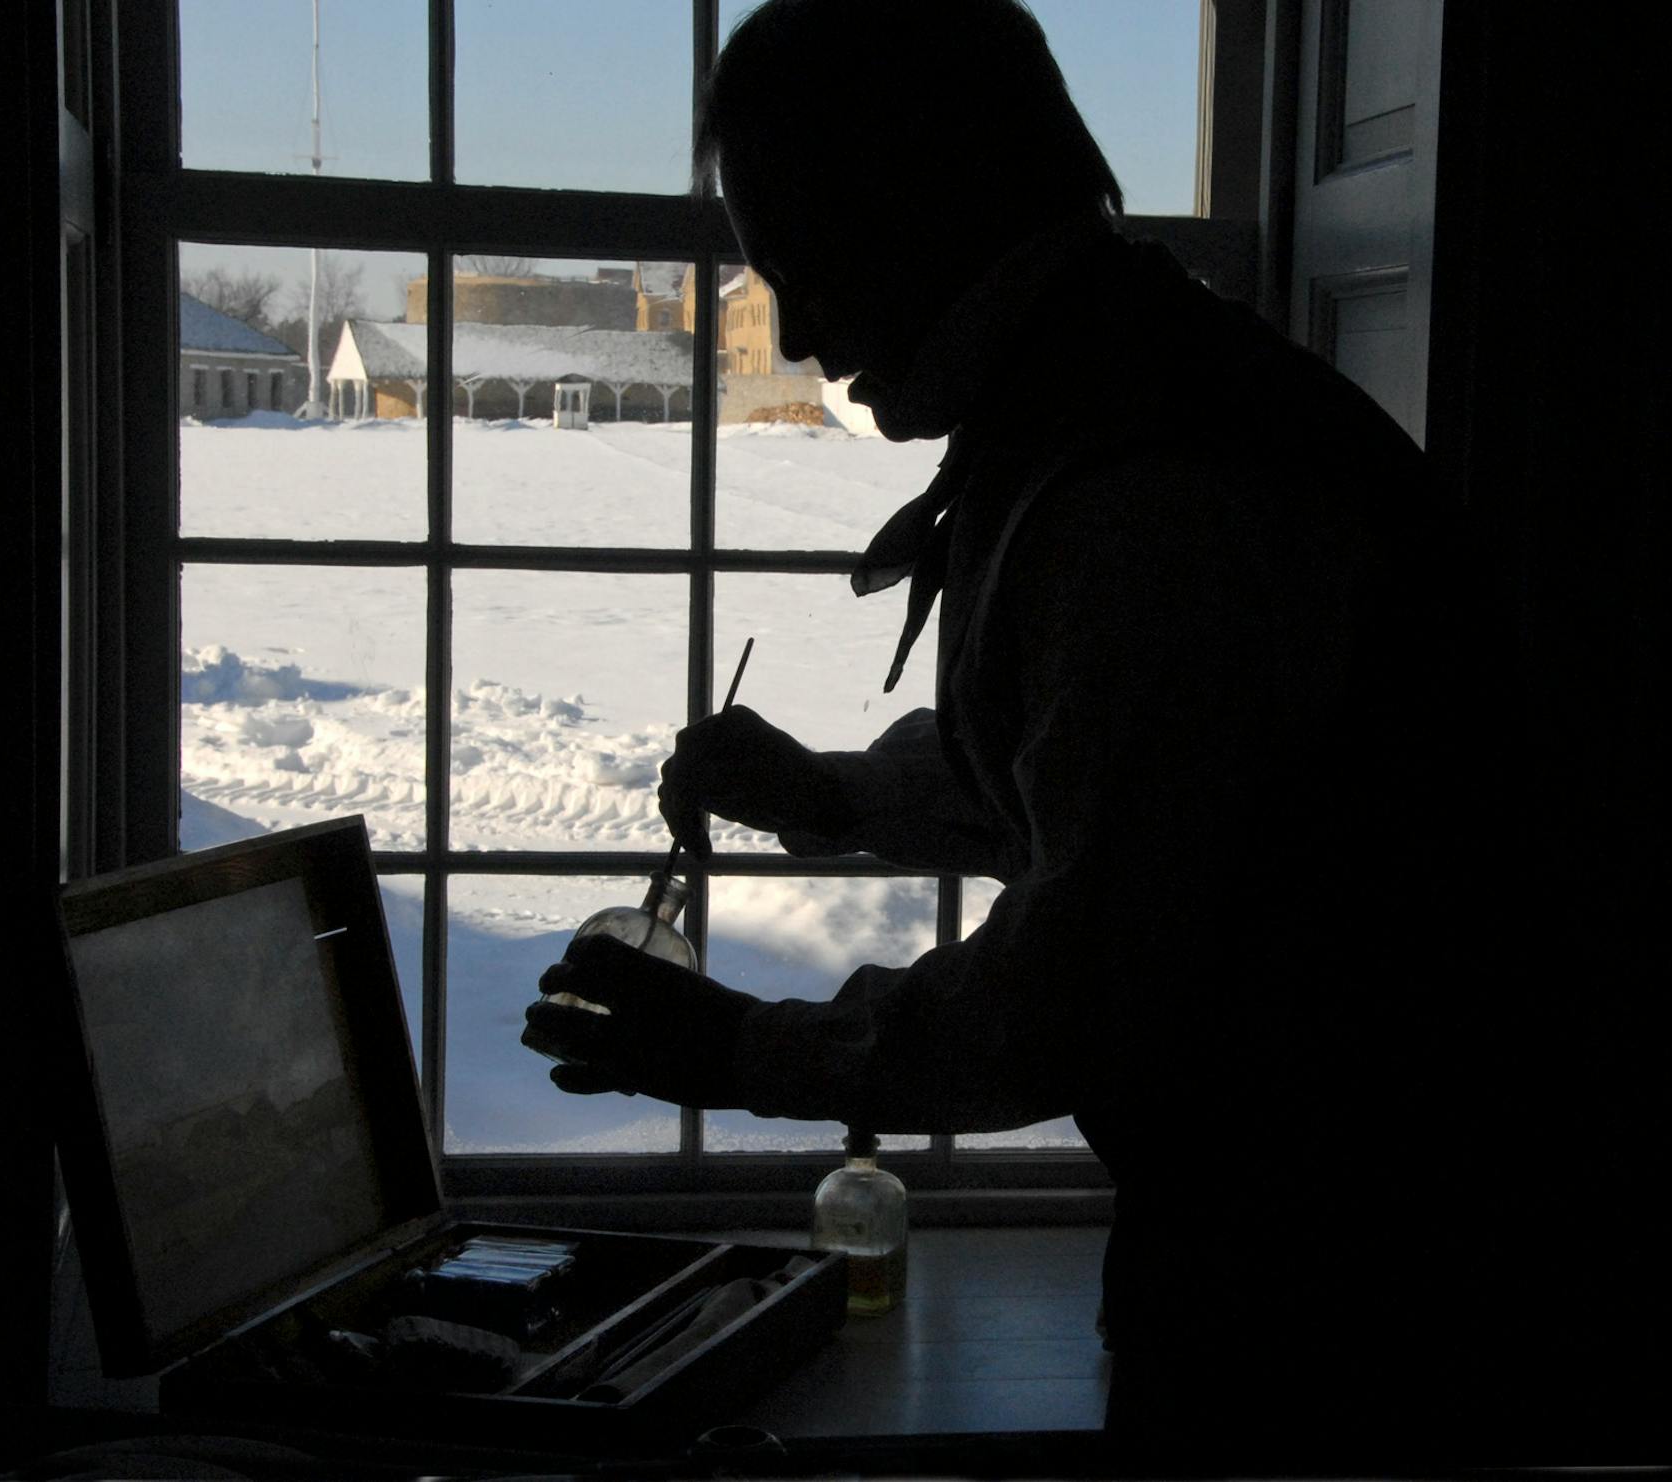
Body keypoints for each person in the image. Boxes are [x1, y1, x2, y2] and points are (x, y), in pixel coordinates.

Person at [523, 0, 1480, 1466]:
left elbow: (1063, 999)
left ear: (915, 204)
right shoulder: (1133, 391)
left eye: (803, 265)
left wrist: (731, 1044)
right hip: (1325, 1246)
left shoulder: (1152, 494)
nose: (800, 335)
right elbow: (1106, 766)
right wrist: (832, 791)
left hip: (1350, 1299)